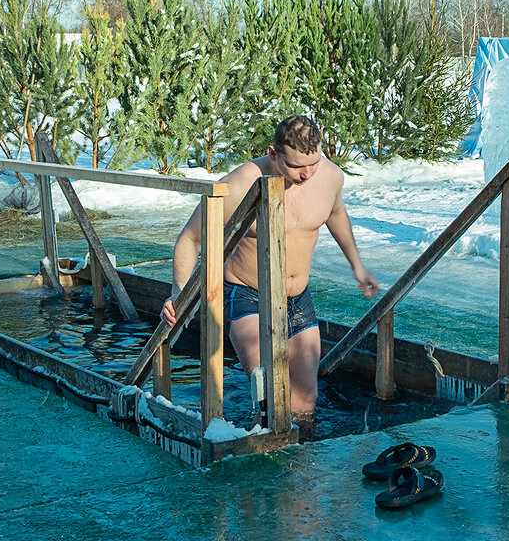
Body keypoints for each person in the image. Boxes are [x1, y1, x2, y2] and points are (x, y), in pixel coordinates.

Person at [161, 115, 379, 419]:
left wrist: (357, 265)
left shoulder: (329, 177)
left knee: (305, 402)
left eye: (313, 163)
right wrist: (179, 291)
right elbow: (190, 238)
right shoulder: (238, 184)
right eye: (296, 167)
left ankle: (299, 463)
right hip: (248, 292)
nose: (306, 175)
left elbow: (336, 214)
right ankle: (258, 451)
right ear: (273, 153)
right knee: (270, 395)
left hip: (298, 298)